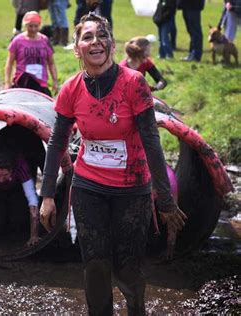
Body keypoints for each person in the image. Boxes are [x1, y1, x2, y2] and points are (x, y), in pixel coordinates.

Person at [39, 14, 186, 315]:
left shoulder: (133, 83)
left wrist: (166, 201)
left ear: (112, 44)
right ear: (77, 48)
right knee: (95, 266)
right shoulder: (71, 88)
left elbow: (151, 143)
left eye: (102, 35)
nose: (96, 42)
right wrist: (47, 196)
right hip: (88, 186)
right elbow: (57, 143)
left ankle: (136, 309)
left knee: (128, 268)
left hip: (132, 189)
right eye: (87, 37)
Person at [4, 11, 58, 97]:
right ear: (25, 26)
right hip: (22, 82)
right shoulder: (17, 40)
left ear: (39, 25)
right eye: (30, 26)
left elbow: (51, 63)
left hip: (41, 82)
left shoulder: (45, 40)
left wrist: (55, 81)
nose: (33, 29)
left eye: (36, 26)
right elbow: (9, 63)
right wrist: (7, 82)